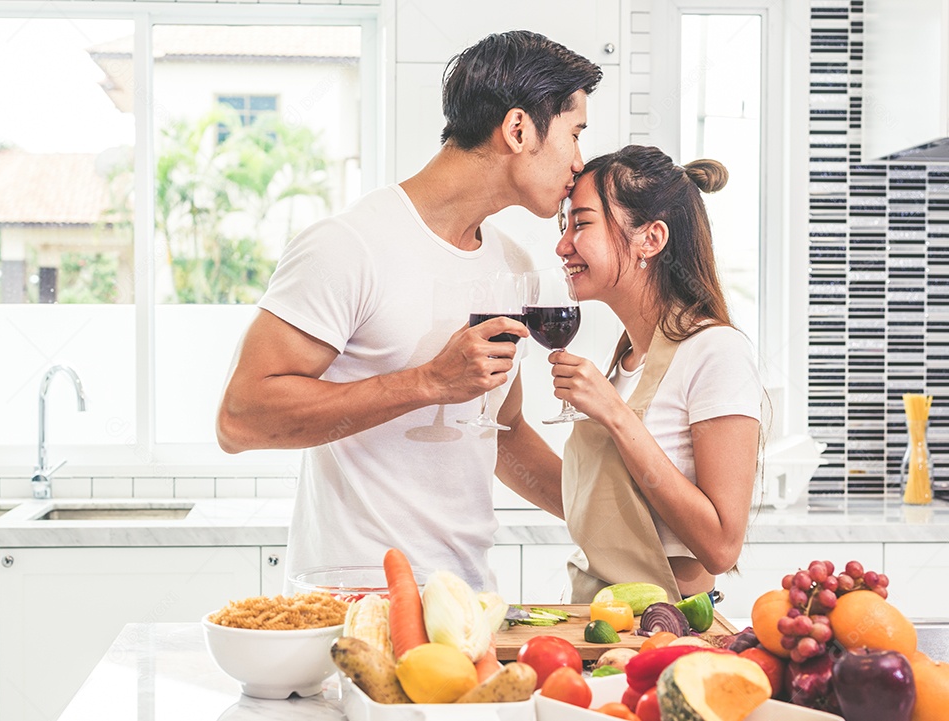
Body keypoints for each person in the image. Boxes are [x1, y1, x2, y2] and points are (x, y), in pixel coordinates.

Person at [215, 31, 602, 591]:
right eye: (574, 134)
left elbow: (506, 431)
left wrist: (608, 517)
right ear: (518, 130)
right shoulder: (348, 245)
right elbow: (240, 419)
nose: (579, 162)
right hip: (354, 598)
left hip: (467, 598)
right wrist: (426, 383)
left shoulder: (510, 263)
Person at [546, 145, 762, 602]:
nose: (563, 245)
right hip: (601, 623)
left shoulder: (715, 351)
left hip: (670, 632)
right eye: (564, 226)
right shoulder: (625, 358)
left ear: (651, 239)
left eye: (581, 223)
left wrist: (614, 414)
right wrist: (496, 409)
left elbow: (721, 547)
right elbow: (600, 502)